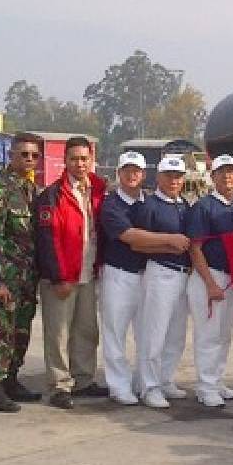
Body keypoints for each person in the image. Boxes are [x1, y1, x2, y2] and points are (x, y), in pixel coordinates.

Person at [36, 136, 108, 410]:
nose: (80, 164)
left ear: (91, 161)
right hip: (62, 277)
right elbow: (46, 239)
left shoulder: (98, 190)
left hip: (87, 273)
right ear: (65, 161)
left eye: (84, 159)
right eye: (74, 159)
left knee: (86, 330)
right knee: (58, 333)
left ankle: (83, 379)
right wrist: (57, 277)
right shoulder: (52, 194)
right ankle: (59, 385)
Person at [0, 133, 43, 411]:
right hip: (5, 275)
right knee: (0, 331)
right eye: (23, 154)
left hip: (26, 276)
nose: (29, 159)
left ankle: (11, 379)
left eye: (34, 155)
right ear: (11, 155)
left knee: (20, 329)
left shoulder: (31, 190)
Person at [187, 155, 233, 407]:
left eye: (231, 172)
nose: (227, 176)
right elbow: (195, 247)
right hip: (209, 276)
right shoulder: (204, 206)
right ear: (212, 177)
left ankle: (217, 380)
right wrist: (210, 283)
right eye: (221, 172)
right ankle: (205, 386)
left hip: (231, 279)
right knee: (208, 335)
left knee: (224, 335)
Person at [136, 155, 194, 409]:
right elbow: (138, 241)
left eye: (178, 176)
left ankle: (165, 379)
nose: (173, 180)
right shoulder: (150, 205)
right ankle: (148, 386)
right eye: (169, 175)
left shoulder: (185, 205)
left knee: (176, 334)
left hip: (183, 275)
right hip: (160, 272)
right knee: (154, 333)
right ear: (158, 177)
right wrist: (168, 241)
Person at [97, 151, 150, 406]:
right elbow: (131, 237)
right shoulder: (111, 205)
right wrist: (171, 242)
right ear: (118, 173)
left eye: (136, 170)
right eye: (127, 170)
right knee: (115, 333)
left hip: (146, 276)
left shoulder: (147, 202)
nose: (132, 175)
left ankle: (144, 382)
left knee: (146, 333)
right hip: (118, 275)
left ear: (143, 174)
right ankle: (119, 385)